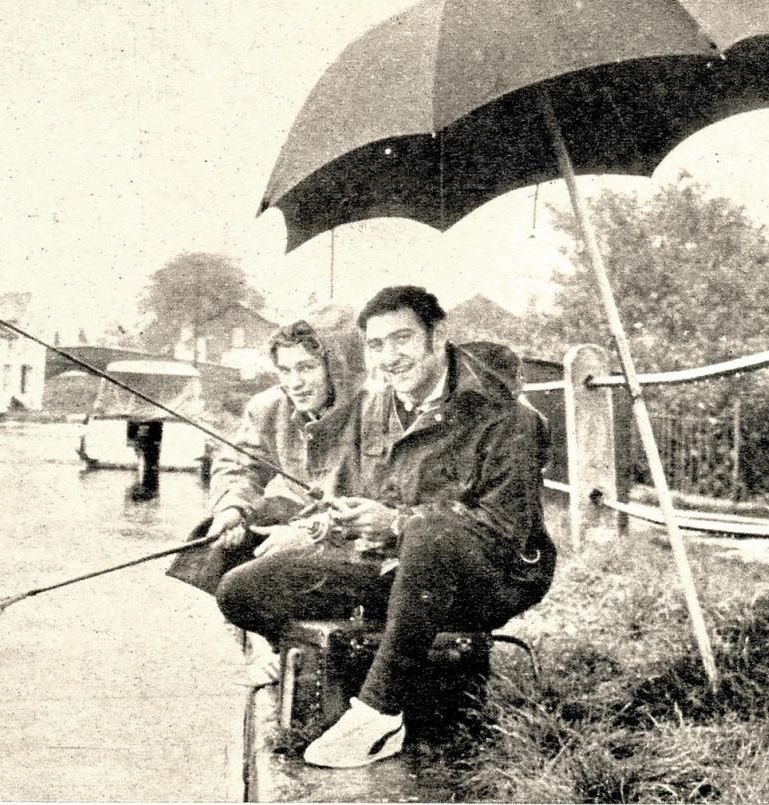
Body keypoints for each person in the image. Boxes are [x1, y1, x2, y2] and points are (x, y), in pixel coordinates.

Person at [215, 285, 556, 768]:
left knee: (431, 535)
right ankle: (370, 655)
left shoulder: (507, 417)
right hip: (406, 572)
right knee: (240, 591)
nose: (389, 358)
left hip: (493, 579)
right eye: (376, 345)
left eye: (401, 340)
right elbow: (371, 497)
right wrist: (341, 522)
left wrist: (396, 524)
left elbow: (504, 528)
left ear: (437, 336)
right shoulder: (380, 407)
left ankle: (379, 712)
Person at [168, 309, 364, 684]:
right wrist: (231, 508)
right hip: (301, 518)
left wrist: (310, 532)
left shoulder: (373, 408)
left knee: (258, 579)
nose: (296, 382)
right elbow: (240, 466)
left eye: (307, 368)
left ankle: (295, 642)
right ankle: (268, 643)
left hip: (351, 533)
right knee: (225, 533)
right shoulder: (267, 407)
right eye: (286, 370)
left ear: (334, 367)